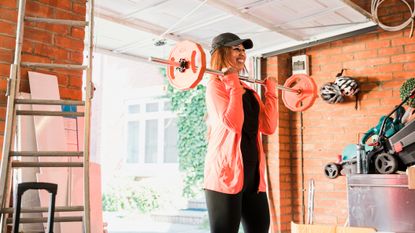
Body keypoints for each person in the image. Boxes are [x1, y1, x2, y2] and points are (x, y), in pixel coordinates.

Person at [204, 32, 278, 233]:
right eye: (236, 48)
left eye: (243, 50)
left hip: (252, 176)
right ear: (221, 53)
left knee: (260, 229)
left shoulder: (247, 89)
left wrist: (271, 93)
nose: (242, 54)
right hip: (226, 175)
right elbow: (233, 123)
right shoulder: (216, 86)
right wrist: (232, 85)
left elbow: (268, 127)